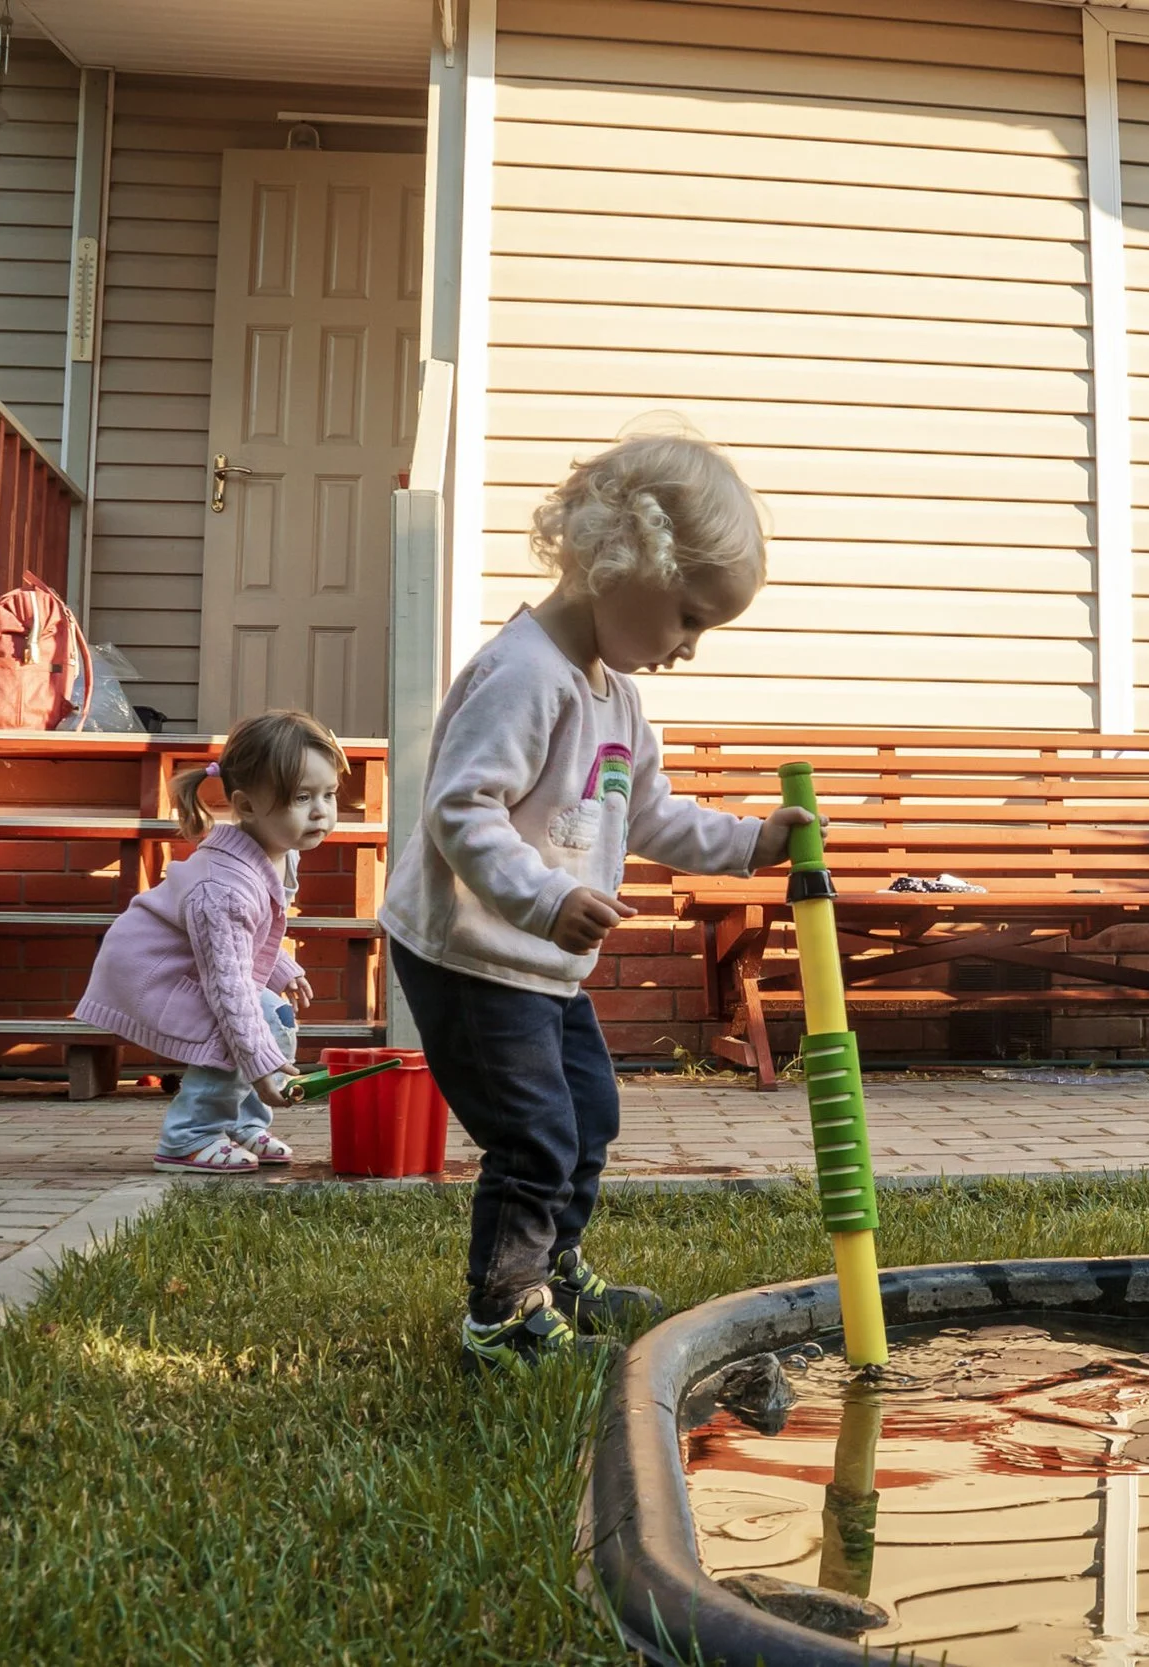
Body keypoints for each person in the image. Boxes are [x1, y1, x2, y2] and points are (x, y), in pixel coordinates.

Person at [380, 433, 812, 1374]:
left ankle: (554, 1270)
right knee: (534, 1133)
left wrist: (750, 843)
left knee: (589, 1113)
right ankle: (501, 1318)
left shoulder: (613, 697)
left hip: (536, 960)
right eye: (690, 618)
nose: (690, 647)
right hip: (469, 953)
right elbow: (459, 806)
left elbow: (646, 809)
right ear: (625, 560)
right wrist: (543, 898)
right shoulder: (523, 676)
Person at [76, 710, 345, 1174]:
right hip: (152, 971)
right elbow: (228, 987)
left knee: (271, 1013)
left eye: (329, 794)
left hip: (192, 962)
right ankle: (189, 1137)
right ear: (244, 807)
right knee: (238, 1025)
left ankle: (241, 1122)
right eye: (301, 797)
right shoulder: (223, 888)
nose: (320, 810)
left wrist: (280, 966)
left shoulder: (281, 854)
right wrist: (261, 1066)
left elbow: (241, 940)